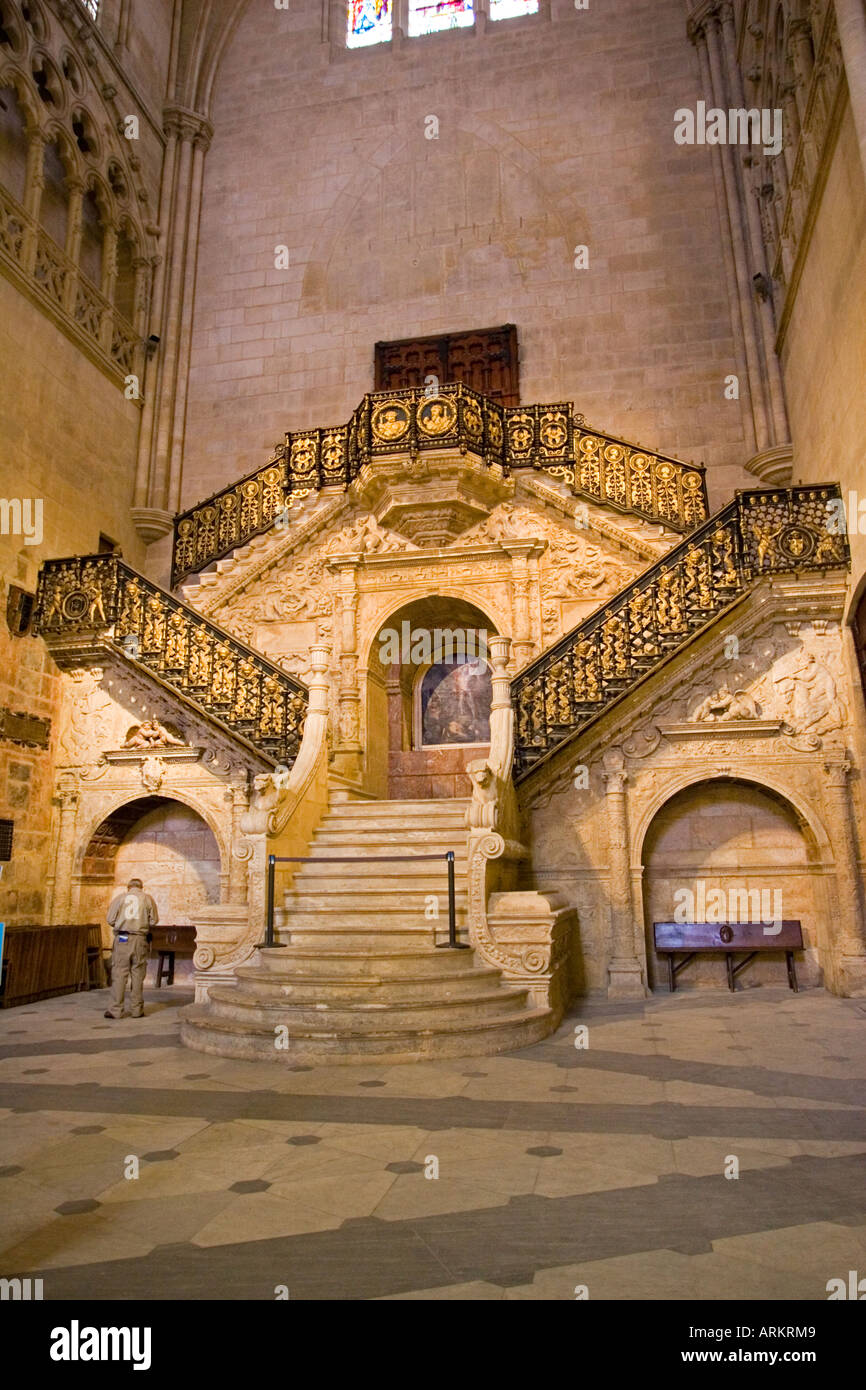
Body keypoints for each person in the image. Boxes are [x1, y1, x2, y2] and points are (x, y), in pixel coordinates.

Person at [104, 877, 159, 1019]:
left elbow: (110, 919)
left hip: (123, 938)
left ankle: (116, 1010)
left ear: (128, 887)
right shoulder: (147, 898)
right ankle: (136, 1010)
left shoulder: (120, 898)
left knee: (119, 974)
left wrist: (123, 923)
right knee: (138, 974)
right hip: (140, 939)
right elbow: (154, 920)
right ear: (141, 887)